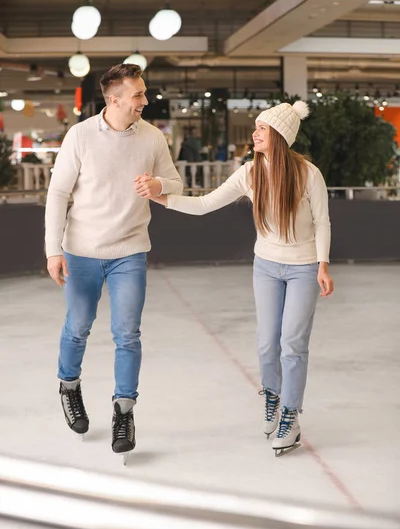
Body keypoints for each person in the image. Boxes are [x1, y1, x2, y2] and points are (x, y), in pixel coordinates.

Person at [135, 101, 333, 456]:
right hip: (267, 267)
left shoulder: (308, 174)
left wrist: (322, 264)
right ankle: (273, 397)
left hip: (303, 267)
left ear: (279, 136)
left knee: (292, 343)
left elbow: (322, 221)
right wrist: (161, 197)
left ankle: (291, 415)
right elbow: (204, 204)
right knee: (266, 342)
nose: (255, 133)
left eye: (261, 129)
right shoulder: (249, 173)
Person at [45, 63, 183, 459]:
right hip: (81, 251)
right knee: (78, 327)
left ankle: (124, 410)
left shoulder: (153, 137)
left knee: (128, 334)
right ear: (115, 99)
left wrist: (158, 185)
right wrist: (53, 248)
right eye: (138, 94)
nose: (145, 100)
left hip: (130, 251)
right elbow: (58, 194)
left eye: (143, 93)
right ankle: (68, 386)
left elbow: (174, 183)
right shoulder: (81, 135)